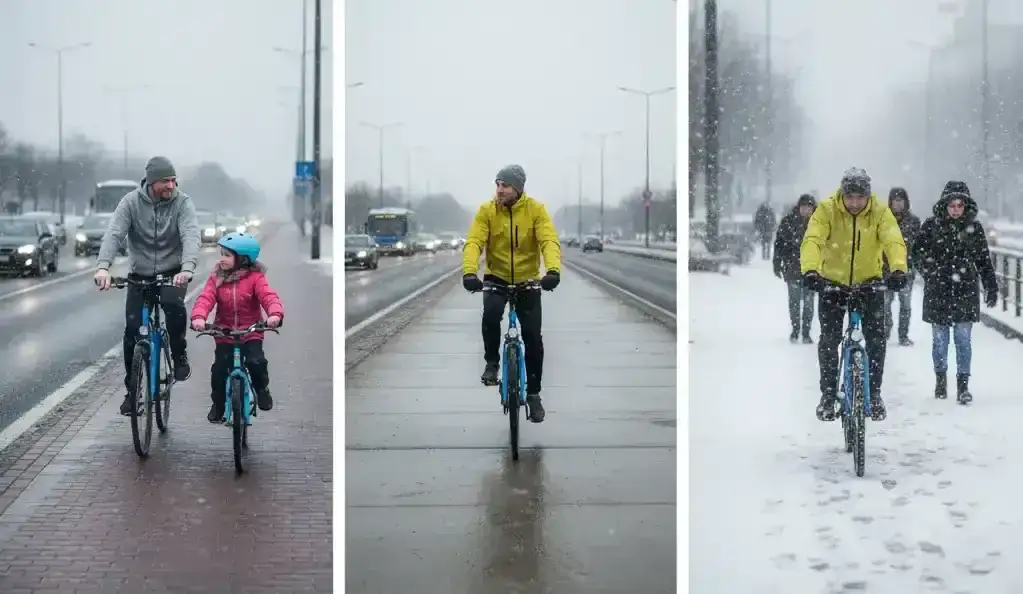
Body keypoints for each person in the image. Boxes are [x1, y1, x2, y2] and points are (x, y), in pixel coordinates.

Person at [94, 156, 201, 416]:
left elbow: (190, 235)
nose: (172, 185)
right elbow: (115, 233)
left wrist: (187, 269)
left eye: (174, 180)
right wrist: (103, 267)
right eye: (166, 180)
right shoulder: (130, 203)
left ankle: (179, 353)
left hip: (173, 272)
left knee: (173, 304)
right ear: (152, 182)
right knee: (132, 332)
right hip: (140, 274)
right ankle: (132, 393)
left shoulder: (182, 203)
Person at [800, 167, 908, 422]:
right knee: (829, 340)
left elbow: (893, 240)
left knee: (876, 338)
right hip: (833, 283)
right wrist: (811, 270)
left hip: (869, 284)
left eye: (861, 197)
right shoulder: (826, 210)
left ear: (868, 196)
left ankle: (875, 393)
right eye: (850, 197)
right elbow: (813, 239)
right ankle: (827, 396)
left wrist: (898, 269)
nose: (855, 203)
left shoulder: (881, 211)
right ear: (842, 195)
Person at [461, 165, 562, 423]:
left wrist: (552, 270)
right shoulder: (487, 211)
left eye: (504, 185)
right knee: (491, 314)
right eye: (497, 184)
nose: (499, 190)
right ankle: (492, 363)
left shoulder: (535, 210)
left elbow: (548, 241)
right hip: (497, 277)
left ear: (517, 188)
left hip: (527, 280)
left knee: (532, 338)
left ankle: (534, 394)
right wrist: (470, 272)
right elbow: (474, 241)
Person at [910, 181, 997, 404]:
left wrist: (991, 286)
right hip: (938, 290)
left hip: (965, 290)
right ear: (945, 205)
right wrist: (930, 271)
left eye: (960, 205)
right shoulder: (931, 226)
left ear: (965, 206)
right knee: (940, 340)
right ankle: (940, 379)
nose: (956, 209)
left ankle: (963, 385)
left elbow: (984, 260)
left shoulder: (974, 229)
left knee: (963, 339)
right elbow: (916, 253)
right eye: (952, 205)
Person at [190, 233, 284, 423]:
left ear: (242, 259)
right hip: (224, 332)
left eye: (227, 255)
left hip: (251, 331)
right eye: (221, 254)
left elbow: (268, 297)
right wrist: (199, 317)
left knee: (256, 362)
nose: (221, 259)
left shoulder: (255, 278)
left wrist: (274, 315)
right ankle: (217, 404)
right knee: (218, 371)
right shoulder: (216, 278)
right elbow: (205, 298)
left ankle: (262, 390)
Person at [773, 193, 817, 343]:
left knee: (809, 302)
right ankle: (795, 329)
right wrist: (777, 263)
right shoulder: (788, 222)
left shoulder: (819, 223)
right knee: (794, 301)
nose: (806, 210)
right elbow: (779, 244)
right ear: (799, 208)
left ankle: (805, 332)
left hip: (812, 271)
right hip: (793, 268)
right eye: (804, 207)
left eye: (809, 207)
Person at [883, 187, 922, 346]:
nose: (897, 204)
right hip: (885, 269)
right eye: (895, 200)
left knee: (905, 304)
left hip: (907, 268)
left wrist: (916, 264)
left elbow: (919, 246)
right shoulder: (883, 220)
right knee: (885, 303)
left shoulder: (913, 222)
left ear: (906, 202)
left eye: (900, 201)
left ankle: (903, 335)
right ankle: (885, 330)